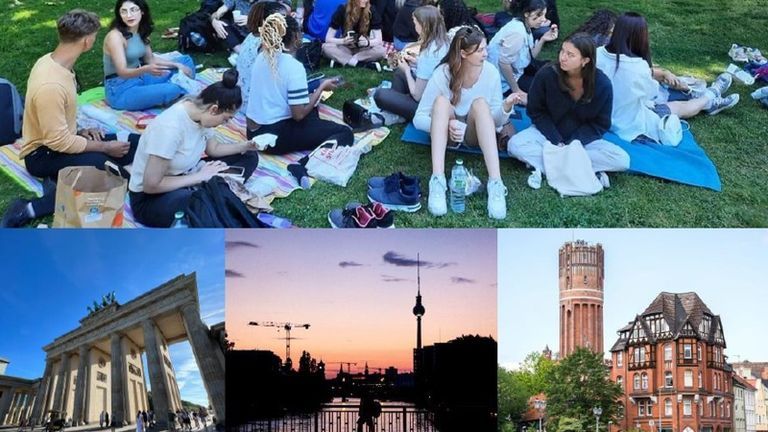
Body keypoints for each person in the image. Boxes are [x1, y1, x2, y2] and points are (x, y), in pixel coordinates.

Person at [1, 9, 139, 228]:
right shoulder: (51, 86)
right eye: (94, 36)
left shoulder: (54, 61)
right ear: (86, 41)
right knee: (114, 174)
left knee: (134, 142)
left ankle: (65, 176)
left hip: (62, 140)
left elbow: (59, 122)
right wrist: (103, 147)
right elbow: (58, 142)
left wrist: (82, 132)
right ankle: (29, 208)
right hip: (43, 154)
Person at [128, 69, 260, 227]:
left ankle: (217, 187)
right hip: (152, 198)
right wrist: (200, 176)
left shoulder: (201, 113)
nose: (226, 124)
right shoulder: (170, 128)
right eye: (226, 119)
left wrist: (246, 145)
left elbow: (214, 149)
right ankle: (217, 189)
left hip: (188, 174)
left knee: (249, 156)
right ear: (214, 110)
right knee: (201, 201)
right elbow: (151, 185)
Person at [414, 26, 519, 219]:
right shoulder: (443, 73)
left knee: (480, 104)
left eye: (485, 48)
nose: (485, 54)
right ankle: (437, 180)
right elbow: (418, 118)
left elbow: (494, 122)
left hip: (474, 135)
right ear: (463, 53)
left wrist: (505, 108)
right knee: (440, 102)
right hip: (448, 135)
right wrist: (446, 127)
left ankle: (495, 184)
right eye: (479, 50)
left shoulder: (491, 73)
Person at [595, 12, 738, 144]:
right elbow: (651, 94)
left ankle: (706, 98)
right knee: (678, 107)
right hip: (627, 124)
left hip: (600, 116)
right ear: (640, 37)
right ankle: (710, 95)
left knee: (668, 95)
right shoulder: (638, 66)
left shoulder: (597, 53)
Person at [508, 33, 629, 189]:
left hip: (581, 143)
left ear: (585, 61)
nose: (563, 57)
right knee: (515, 145)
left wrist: (574, 144)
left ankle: (549, 167)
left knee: (621, 159)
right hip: (547, 136)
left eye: (570, 55)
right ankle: (584, 171)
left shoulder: (602, 84)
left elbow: (600, 124)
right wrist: (556, 140)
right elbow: (536, 111)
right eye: (562, 51)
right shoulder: (547, 74)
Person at [246, 13, 352, 186]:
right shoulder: (293, 67)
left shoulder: (262, 56)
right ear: (294, 36)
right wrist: (321, 87)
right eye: (300, 33)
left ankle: (312, 135)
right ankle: (302, 165)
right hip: (273, 138)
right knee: (344, 133)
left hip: (253, 131)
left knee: (312, 106)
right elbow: (298, 115)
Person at [103, 0, 196, 111]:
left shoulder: (140, 31)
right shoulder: (115, 37)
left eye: (133, 10)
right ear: (119, 14)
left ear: (142, 11)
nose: (129, 15)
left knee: (185, 61)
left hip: (142, 77)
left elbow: (150, 59)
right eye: (124, 11)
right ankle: (171, 89)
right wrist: (146, 69)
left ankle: (163, 91)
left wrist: (176, 65)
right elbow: (122, 71)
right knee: (172, 89)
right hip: (122, 88)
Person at [374, 5, 448, 121]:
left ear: (423, 25)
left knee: (379, 94)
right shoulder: (443, 42)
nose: (414, 27)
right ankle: (396, 108)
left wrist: (407, 70)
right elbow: (433, 70)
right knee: (399, 73)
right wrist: (416, 63)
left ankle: (396, 110)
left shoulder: (429, 53)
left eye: (415, 23)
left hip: (427, 108)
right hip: (436, 94)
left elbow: (417, 96)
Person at [487, 0, 558, 100]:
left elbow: (530, 56)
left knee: (553, 72)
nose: (543, 19)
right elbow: (503, 63)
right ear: (526, 14)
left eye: (544, 15)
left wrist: (543, 39)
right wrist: (516, 90)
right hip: (504, 81)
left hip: (518, 70)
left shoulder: (524, 25)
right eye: (539, 15)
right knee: (547, 90)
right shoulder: (517, 33)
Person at [236, 1, 288, 112]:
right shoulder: (268, 45)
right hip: (257, 107)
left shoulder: (251, 36)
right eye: (283, 19)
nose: (288, 23)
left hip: (242, 99)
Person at [322, 0, 387, 69]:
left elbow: (379, 40)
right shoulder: (343, 9)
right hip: (345, 47)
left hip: (363, 49)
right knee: (325, 47)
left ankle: (343, 61)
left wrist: (367, 42)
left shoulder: (371, 10)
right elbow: (328, 38)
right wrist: (343, 41)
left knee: (381, 51)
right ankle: (360, 64)